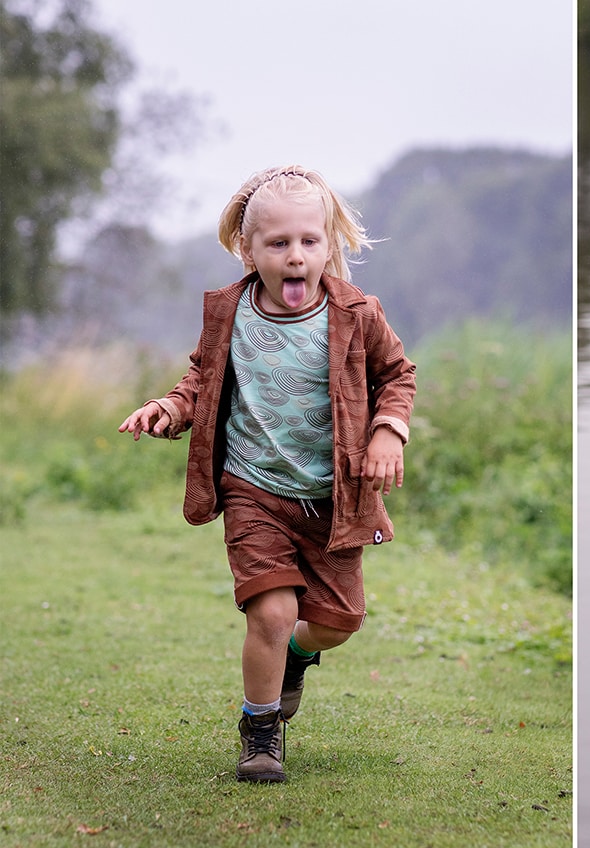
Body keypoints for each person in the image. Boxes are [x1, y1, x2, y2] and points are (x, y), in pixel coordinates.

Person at [119, 166, 416, 783]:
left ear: (329, 245)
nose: (295, 255)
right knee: (273, 615)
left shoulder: (358, 313)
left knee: (336, 624)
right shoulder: (230, 313)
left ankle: (294, 661)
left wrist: (388, 430)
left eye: (309, 241)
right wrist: (170, 409)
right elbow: (202, 379)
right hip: (252, 488)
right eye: (278, 244)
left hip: (332, 501)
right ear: (248, 250)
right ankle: (261, 732)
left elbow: (397, 376)